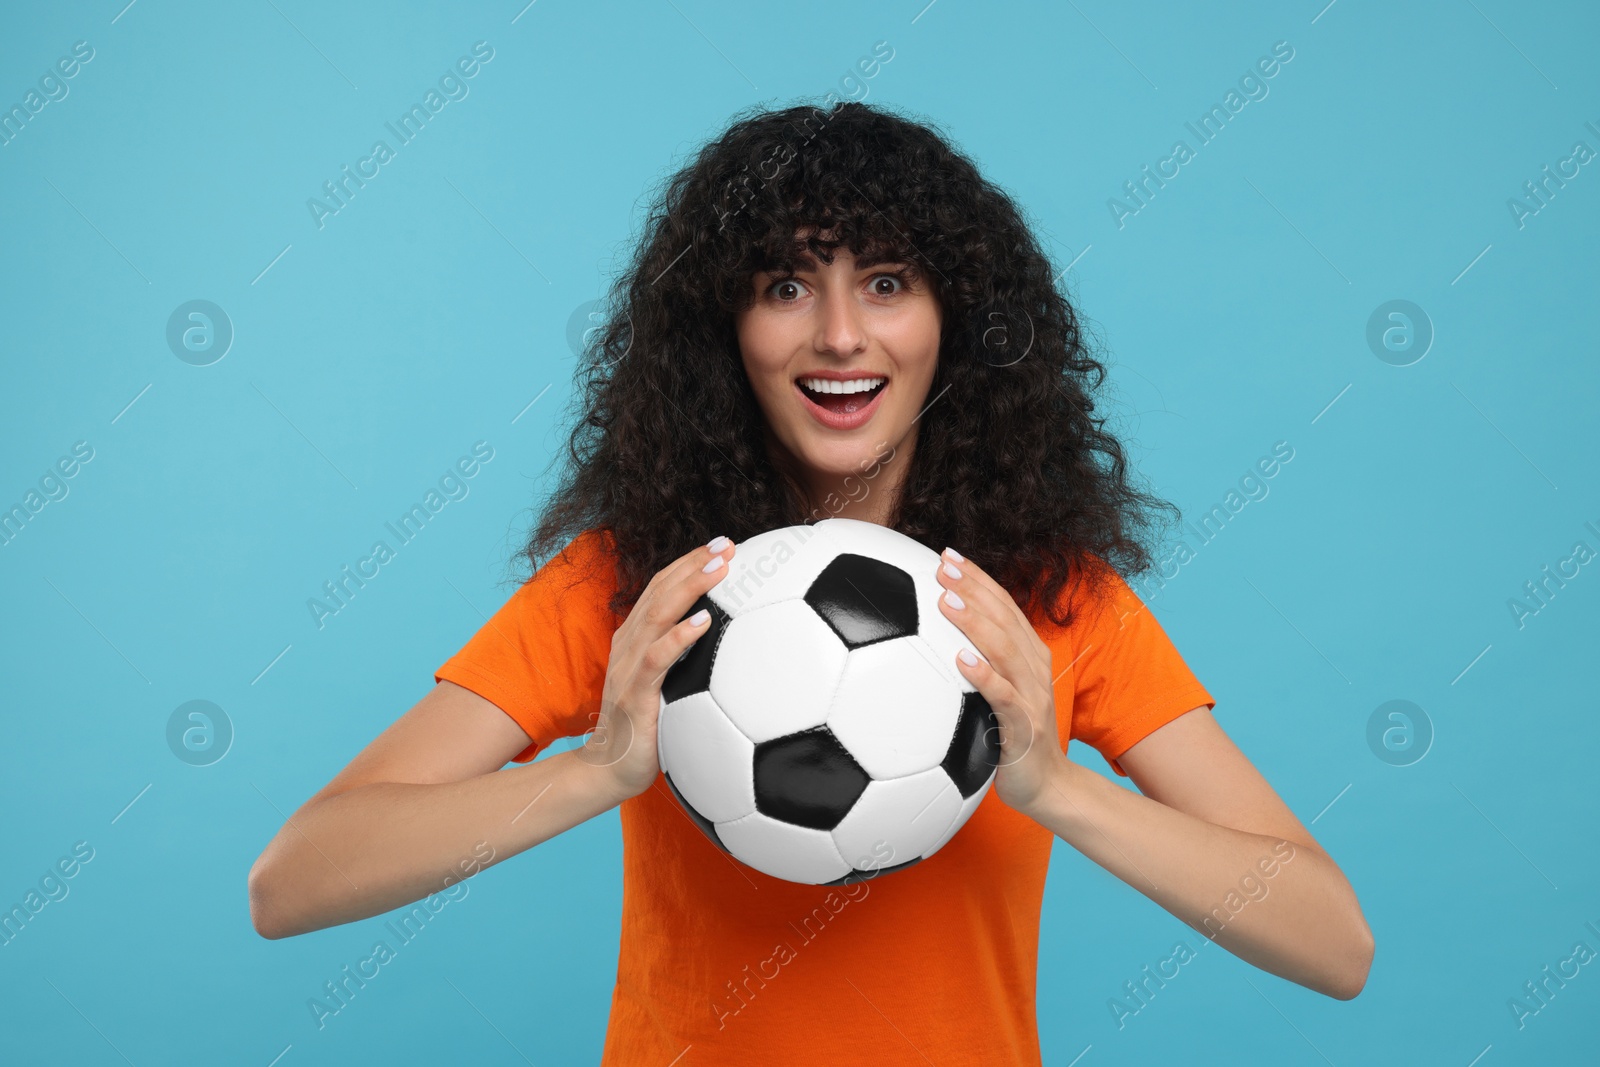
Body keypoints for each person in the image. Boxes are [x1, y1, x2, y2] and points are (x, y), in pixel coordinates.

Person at [248, 100, 1373, 1063]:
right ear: (722, 329)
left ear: (955, 322)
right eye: (786, 284)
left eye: (885, 282)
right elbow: (292, 882)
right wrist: (595, 770)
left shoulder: (1041, 599)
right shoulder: (639, 587)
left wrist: (1057, 788)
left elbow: (1333, 942)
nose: (840, 335)